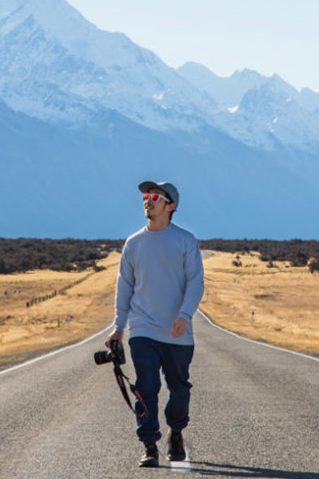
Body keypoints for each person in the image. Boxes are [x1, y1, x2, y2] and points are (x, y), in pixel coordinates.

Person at [107, 180, 205, 468]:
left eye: (154, 197)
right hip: (143, 330)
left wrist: (185, 316)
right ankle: (149, 444)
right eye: (145, 197)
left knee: (179, 388)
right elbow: (124, 287)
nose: (147, 201)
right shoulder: (134, 243)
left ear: (171, 206)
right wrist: (118, 327)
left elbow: (196, 282)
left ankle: (176, 432)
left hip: (178, 332)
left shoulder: (185, 240)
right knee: (146, 386)